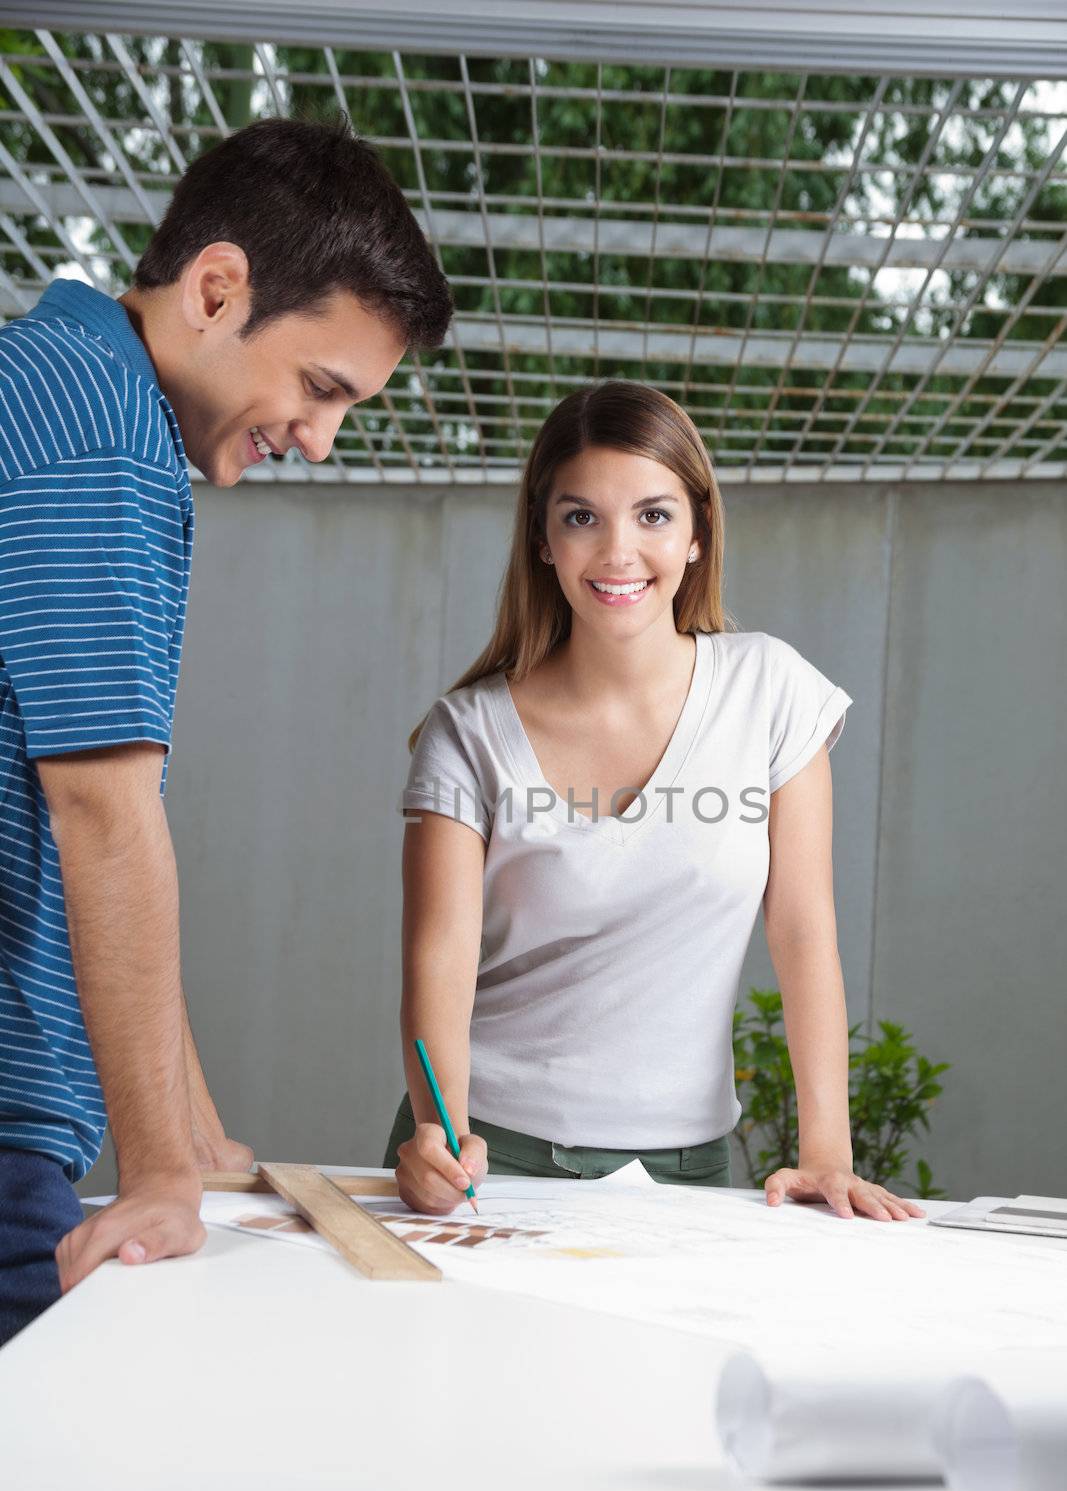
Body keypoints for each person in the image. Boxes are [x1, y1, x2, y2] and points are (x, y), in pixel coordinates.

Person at [0, 117, 452, 1344]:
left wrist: (193, 1130)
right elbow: (102, 813)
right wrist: (157, 1173)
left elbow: (88, 825)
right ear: (215, 289)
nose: (318, 437)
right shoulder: (102, 433)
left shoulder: (53, 387)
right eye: (319, 388)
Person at [388, 381, 925, 1226]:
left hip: (684, 1167)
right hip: (488, 1153)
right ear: (540, 537)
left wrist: (827, 1152)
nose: (617, 553)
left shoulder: (771, 690)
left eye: (652, 515)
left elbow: (801, 927)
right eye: (580, 517)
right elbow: (440, 954)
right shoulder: (470, 730)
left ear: (697, 532)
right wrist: (437, 1130)